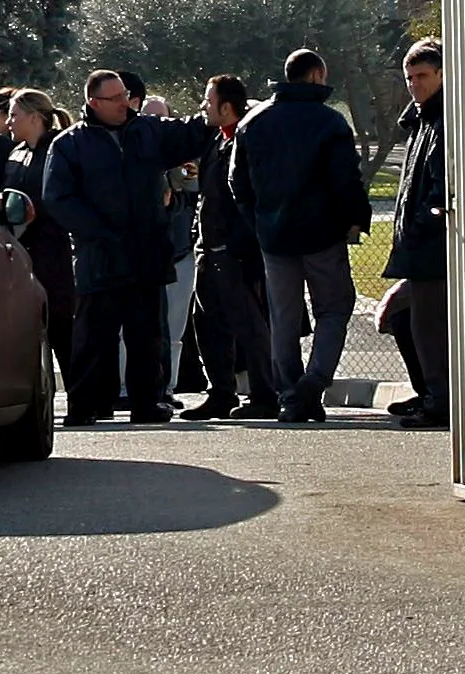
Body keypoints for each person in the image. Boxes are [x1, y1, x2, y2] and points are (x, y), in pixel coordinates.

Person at [42, 69, 210, 425]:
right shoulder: (70, 144)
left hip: (145, 253)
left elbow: (186, 136)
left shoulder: (147, 131)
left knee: (147, 335)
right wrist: (100, 232)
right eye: (115, 98)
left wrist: (210, 114)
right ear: (93, 102)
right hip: (99, 257)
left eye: (125, 95)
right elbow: (58, 198)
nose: (124, 102)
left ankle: (147, 403)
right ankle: (84, 406)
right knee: (92, 337)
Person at [231, 48, 370, 424]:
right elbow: (346, 179)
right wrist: (355, 217)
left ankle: (291, 392)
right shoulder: (330, 123)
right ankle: (314, 381)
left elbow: (238, 182)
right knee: (335, 308)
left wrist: (257, 221)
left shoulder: (253, 122)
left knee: (284, 317)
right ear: (316, 75)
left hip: (274, 235)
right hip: (322, 233)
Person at [185, 75, 278, 420]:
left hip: (233, 250)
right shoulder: (216, 141)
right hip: (208, 247)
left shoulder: (246, 141)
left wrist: (238, 244)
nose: (203, 107)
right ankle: (220, 393)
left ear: (226, 106)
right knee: (206, 322)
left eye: (209, 101)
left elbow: (247, 198)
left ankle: (264, 394)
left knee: (247, 323)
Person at [377, 40, 447, 429]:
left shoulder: (444, 121)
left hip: (434, 246)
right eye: (409, 78)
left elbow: (441, 185)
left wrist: (424, 223)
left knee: (428, 325)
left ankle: (439, 400)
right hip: (419, 245)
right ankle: (428, 392)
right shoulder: (420, 121)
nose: (414, 84)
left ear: (441, 74)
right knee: (404, 318)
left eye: (422, 76)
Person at [1, 89, 82, 414]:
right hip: (23, 252)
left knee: (62, 325)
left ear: (35, 117)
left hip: (54, 249)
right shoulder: (16, 153)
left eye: (15, 115)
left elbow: (63, 198)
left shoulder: (58, 151)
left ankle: (81, 398)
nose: (8, 121)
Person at [139, 94, 201, 402]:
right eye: (148, 117)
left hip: (179, 250)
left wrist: (177, 192)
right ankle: (129, 388)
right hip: (142, 252)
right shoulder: (132, 155)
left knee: (174, 329)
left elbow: (192, 199)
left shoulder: (184, 161)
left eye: (161, 118)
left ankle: (169, 386)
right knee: (136, 329)